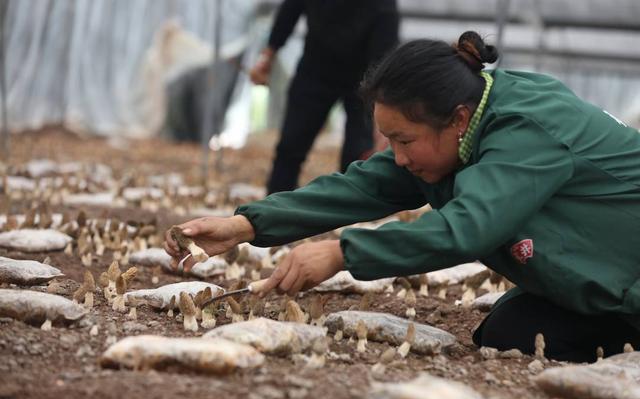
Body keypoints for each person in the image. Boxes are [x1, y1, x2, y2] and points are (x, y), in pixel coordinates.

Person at [166, 31, 640, 363]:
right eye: (389, 139)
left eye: (404, 141)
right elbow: (364, 185)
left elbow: (466, 228)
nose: (396, 157)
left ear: (456, 119)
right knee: (508, 335)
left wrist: (342, 252)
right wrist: (245, 226)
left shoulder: (526, 129)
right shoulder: (462, 124)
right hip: (605, 263)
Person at [250, 0, 399, 194]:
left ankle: (348, 207)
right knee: (291, 144)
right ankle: (274, 204)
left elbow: (385, 43)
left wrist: (381, 104)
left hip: (364, 76)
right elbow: (291, 10)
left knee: (357, 153)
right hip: (315, 68)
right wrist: (269, 53)